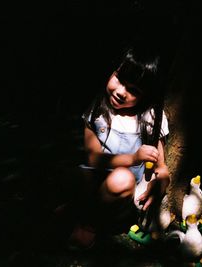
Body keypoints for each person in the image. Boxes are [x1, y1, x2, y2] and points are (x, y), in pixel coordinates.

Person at [67, 41, 171, 249]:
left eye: (133, 90)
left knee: (121, 178)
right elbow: (94, 158)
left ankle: (89, 225)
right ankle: (74, 210)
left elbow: (162, 169)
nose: (121, 92)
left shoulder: (151, 118)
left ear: (145, 94)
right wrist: (133, 158)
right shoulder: (98, 109)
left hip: (121, 193)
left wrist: (158, 185)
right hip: (95, 182)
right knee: (74, 174)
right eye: (119, 79)